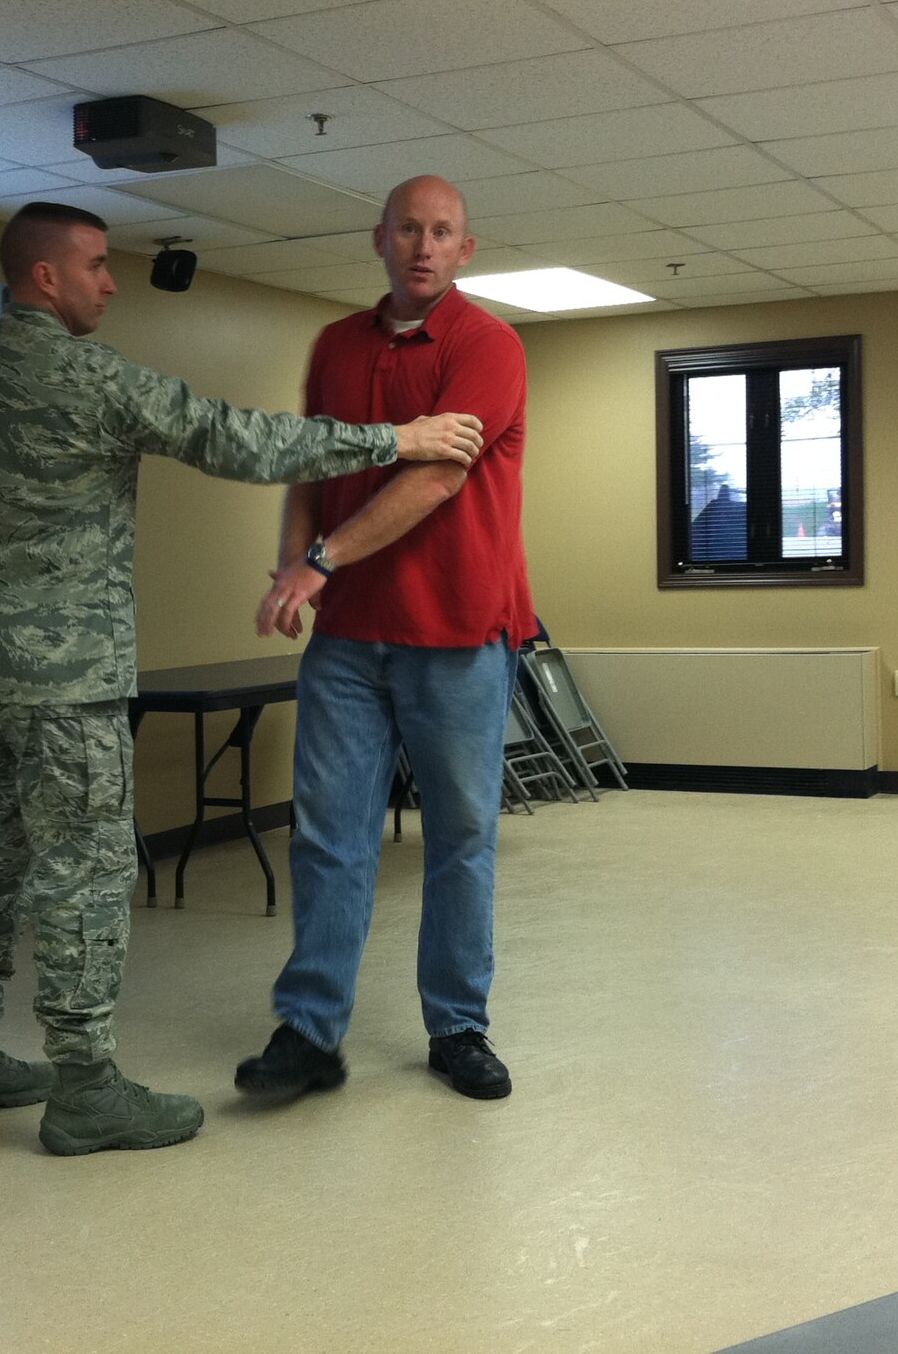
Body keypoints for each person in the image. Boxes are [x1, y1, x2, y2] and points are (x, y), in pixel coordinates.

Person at [0, 202, 485, 1156]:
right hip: (69, 686)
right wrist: (397, 439)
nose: (111, 283)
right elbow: (242, 442)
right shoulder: (93, 380)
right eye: (98, 266)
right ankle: (83, 1086)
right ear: (46, 279)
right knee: (85, 873)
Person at [237, 175, 536, 1103]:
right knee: (329, 835)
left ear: (465, 249)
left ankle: (457, 1028)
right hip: (349, 639)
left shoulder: (488, 345)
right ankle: (310, 1032)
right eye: (408, 229)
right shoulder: (335, 346)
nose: (423, 245)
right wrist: (292, 564)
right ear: (379, 238)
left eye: (442, 231)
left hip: (456, 632)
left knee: (460, 835)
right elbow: (306, 465)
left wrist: (320, 560)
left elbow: (437, 479)